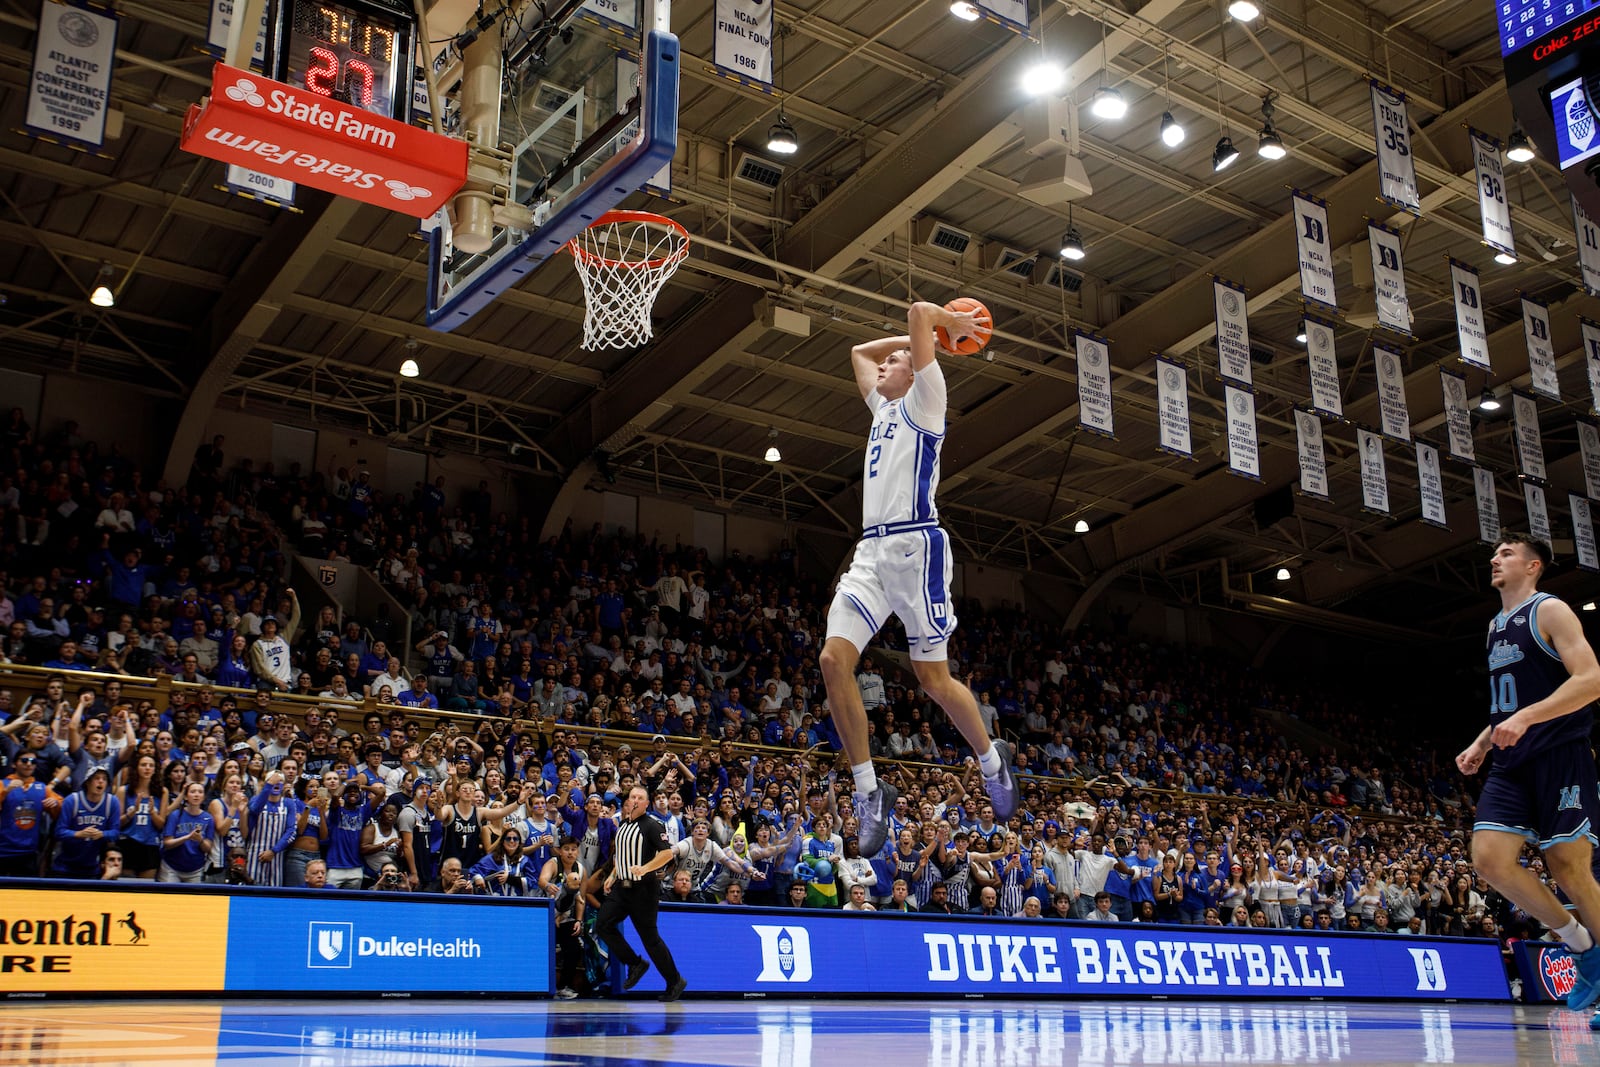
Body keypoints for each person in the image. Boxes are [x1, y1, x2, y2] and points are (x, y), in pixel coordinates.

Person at [817, 301, 1017, 855]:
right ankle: (866, 790)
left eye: (897, 360)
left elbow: (916, 311)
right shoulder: (881, 409)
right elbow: (860, 351)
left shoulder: (928, 402)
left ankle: (991, 761)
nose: (884, 366)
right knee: (833, 661)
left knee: (932, 679)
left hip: (915, 547)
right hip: (871, 553)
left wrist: (937, 331)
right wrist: (913, 339)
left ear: (919, 369)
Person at [1454, 535, 1600, 1015]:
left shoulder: (1551, 610)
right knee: (1490, 860)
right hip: (1512, 761)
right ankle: (1583, 948)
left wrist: (1527, 718)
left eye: (1507, 553)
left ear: (1533, 565)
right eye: (1495, 554)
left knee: (1568, 868)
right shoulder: (1496, 625)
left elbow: (1590, 680)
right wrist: (1481, 741)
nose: (1495, 559)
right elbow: (1510, 703)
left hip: (1560, 754)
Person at [594, 785, 688, 1002]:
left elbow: (666, 854)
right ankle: (635, 963)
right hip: (621, 888)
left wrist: (646, 868)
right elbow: (623, 855)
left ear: (647, 804)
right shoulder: (624, 825)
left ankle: (674, 980)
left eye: (640, 797)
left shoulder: (653, 825)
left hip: (643, 890)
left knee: (650, 939)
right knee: (603, 925)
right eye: (632, 796)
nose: (635, 800)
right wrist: (613, 875)